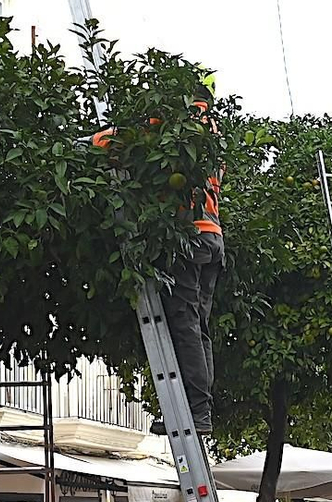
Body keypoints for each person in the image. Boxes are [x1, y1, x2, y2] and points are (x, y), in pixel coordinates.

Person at [93, 71, 222, 433]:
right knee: (198, 329)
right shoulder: (211, 134)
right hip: (212, 238)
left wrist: (97, 139)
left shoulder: (176, 129)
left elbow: (121, 142)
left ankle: (196, 413)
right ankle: (200, 411)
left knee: (184, 327)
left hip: (188, 239)